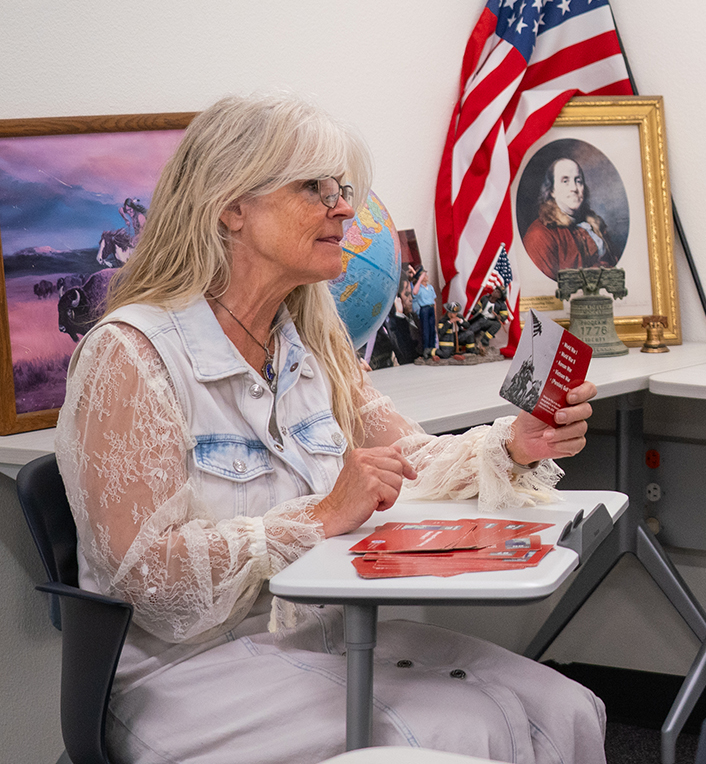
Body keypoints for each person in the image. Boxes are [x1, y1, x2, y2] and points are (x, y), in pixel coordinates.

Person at [53, 92, 608, 764]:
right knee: (466, 733)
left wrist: (512, 445)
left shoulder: (310, 338)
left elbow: (407, 459)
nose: (344, 208)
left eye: (342, 190)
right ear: (231, 207)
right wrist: (318, 518)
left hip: (322, 636)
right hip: (186, 673)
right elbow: (148, 583)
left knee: (566, 709)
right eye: (314, 188)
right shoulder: (130, 356)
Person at [522, 156, 617, 280]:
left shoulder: (595, 225)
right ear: (552, 191)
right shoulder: (539, 235)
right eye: (565, 181)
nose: (574, 188)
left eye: (578, 181)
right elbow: (545, 286)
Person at [412, 267, 438, 358]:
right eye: (424, 275)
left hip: (431, 308)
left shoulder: (430, 287)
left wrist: (435, 313)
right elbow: (414, 292)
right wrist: (419, 280)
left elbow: (434, 301)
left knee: (432, 330)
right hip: (424, 309)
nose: (426, 277)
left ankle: (432, 349)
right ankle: (426, 349)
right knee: (426, 330)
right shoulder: (419, 288)